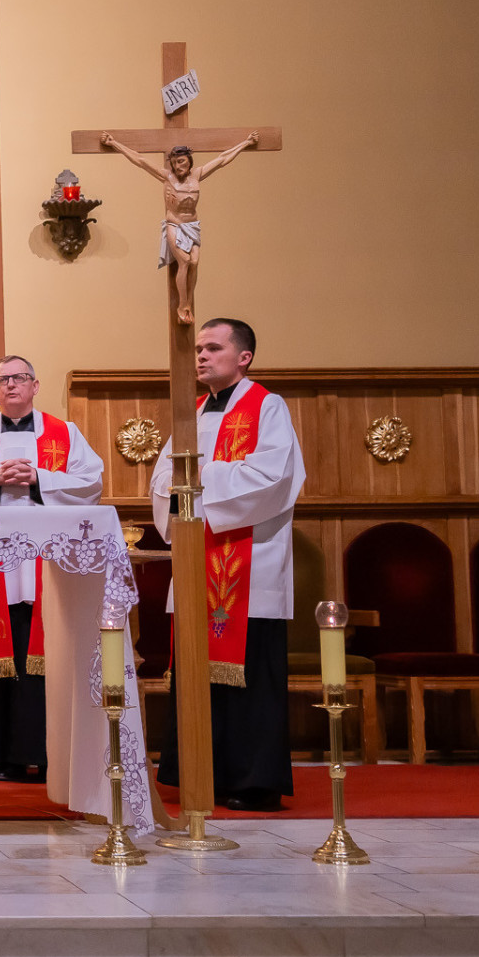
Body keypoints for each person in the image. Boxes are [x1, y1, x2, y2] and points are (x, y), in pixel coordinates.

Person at [150, 318, 306, 812]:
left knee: (250, 676)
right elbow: (161, 480)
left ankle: (255, 782)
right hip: (196, 559)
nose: (200, 356)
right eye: (197, 348)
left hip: (250, 563)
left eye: (212, 348)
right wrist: (183, 486)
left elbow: (274, 476)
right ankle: (200, 773)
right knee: (198, 672)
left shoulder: (267, 407)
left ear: (244, 357)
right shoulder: (190, 412)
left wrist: (199, 478)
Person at [0, 356, 105, 782]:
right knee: (0, 653)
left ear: (35, 386)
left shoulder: (66, 433)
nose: (11, 385)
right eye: (2, 380)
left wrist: (39, 479)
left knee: (47, 654)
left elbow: (91, 482)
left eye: (19, 378)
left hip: (46, 561)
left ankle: (48, 755)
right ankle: (4, 757)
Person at [100, 131, 257, 326]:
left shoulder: (197, 175)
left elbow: (222, 159)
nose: (177, 166)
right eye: (174, 163)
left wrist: (246, 143)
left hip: (192, 226)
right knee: (185, 261)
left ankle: (189, 301)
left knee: (195, 263)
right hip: (174, 224)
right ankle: (183, 306)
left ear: (189, 161)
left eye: (181, 161)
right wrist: (114, 143)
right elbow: (140, 160)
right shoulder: (167, 177)